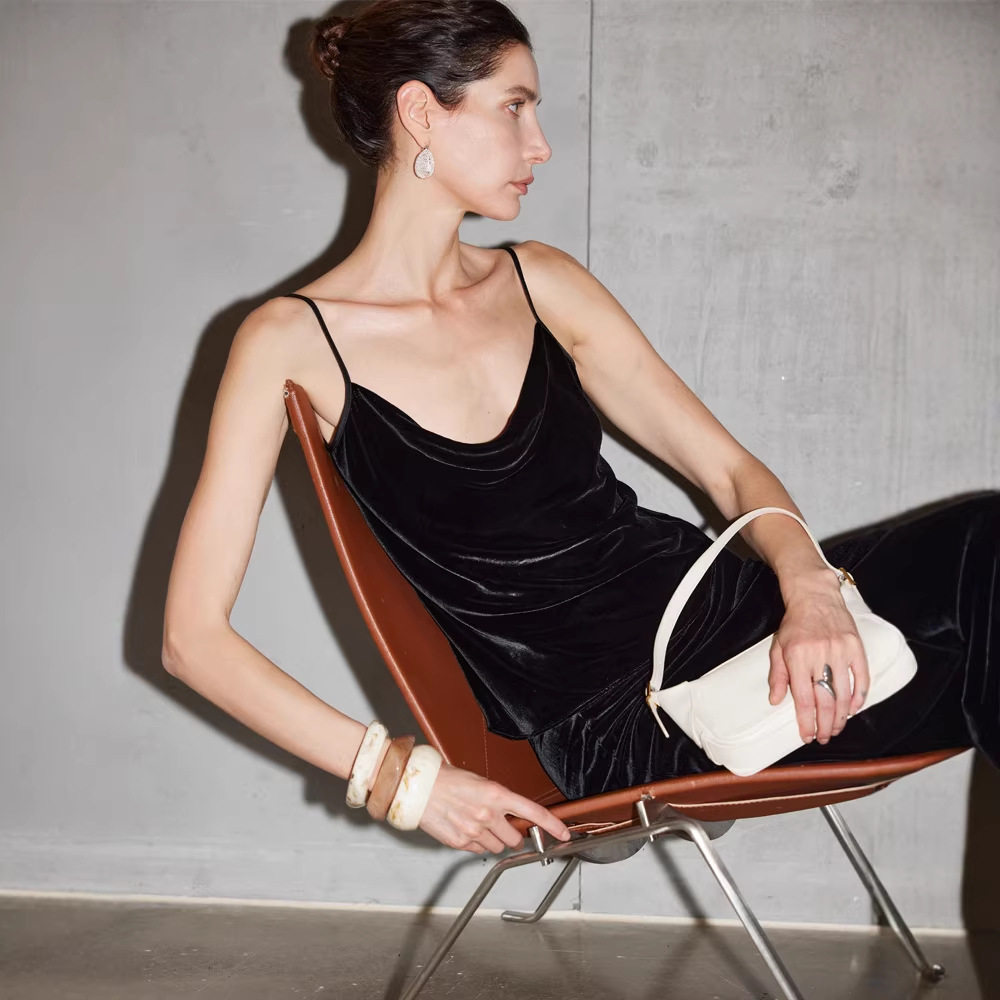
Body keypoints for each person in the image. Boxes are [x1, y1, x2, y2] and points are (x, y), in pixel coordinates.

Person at [162, 0, 998, 857]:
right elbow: (192, 638)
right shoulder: (289, 341)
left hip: (734, 613)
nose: (540, 145)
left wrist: (810, 585)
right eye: (514, 107)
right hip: (624, 719)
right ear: (420, 112)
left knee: (990, 541)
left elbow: (729, 472)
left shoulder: (543, 282)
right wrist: (399, 780)